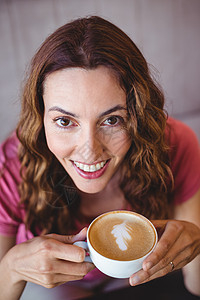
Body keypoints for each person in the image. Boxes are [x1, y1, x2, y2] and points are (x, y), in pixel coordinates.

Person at [0, 16, 200, 300]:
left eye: (112, 120)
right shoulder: (11, 167)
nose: (90, 150)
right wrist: (11, 269)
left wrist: (197, 243)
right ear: (40, 117)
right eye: (65, 121)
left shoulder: (175, 145)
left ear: (138, 116)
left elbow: (195, 286)